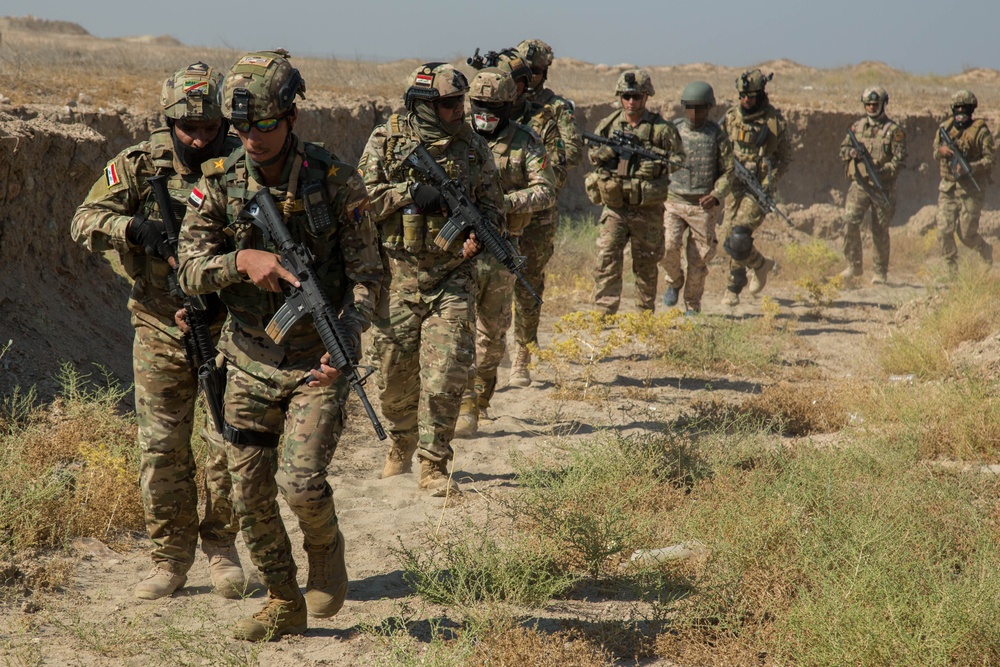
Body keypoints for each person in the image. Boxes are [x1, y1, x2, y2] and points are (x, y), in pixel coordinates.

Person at [177, 50, 384, 640]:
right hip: (246, 358)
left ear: (292, 117)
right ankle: (281, 600)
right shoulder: (215, 184)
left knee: (301, 482)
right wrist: (240, 261)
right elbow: (187, 270)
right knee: (247, 491)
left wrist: (348, 329)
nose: (252, 138)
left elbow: (371, 274)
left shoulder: (336, 179)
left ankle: (325, 550)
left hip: (316, 362)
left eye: (264, 125)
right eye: (241, 128)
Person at [71, 62, 245, 601]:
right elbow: (83, 221)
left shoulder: (243, 165)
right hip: (157, 326)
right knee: (163, 449)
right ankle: (169, 559)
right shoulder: (138, 165)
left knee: (226, 445)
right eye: (187, 129)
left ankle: (221, 548)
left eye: (208, 128)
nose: (197, 138)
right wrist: (133, 228)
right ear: (167, 122)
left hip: (229, 329)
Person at [359, 63, 505, 493]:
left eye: (460, 101)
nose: (459, 109)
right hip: (398, 277)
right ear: (423, 105)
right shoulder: (386, 141)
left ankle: (434, 463)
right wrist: (410, 194)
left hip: (452, 278)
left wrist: (481, 236)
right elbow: (360, 200)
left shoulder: (474, 148)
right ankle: (401, 443)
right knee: (392, 379)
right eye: (448, 103)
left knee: (445, 377)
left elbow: (493, 207)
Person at [454, 68, 556, 437]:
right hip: (457, 249)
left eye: (493, 106)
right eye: (478, 104)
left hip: (500, 250)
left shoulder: (526, 141)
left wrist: (499, 204)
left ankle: (480, 400)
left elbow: (545, 191)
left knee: (491, 336)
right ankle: (463, 404)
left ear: (509, 106)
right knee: (455, 330)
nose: (484, 112)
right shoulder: (457, 136)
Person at [586, 69, 683, 315]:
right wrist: (605, 155)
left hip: (646, 210)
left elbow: (679, 160)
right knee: (607, 258)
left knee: (646, 264)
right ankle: (603, 315)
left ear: (646, 97)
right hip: (615, 207)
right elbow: (591, 155)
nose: (631, 102)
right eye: (626, 96)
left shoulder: (661, 129)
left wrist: (657, 165)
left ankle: (643, 316)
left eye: (637, 97)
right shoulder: (608, 125)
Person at [497, 50, 566, 387]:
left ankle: (522, 353)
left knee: (527, 284)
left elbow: (560, 170)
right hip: (493, 216)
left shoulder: (543, 120)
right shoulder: (479, 119)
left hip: (535, 217)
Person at [719, 69, 790, 306]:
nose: (745, 100)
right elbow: (719, 148)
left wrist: (769, 182)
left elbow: (785, 158)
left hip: (758, 187)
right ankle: (761, 264)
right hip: (734, 185)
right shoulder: (731, 118)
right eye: (742, 95)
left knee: (739, 234)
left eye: (750, 96)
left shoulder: (774, 123)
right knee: (728, 237)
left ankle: (732, 287)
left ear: (760, 94)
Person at [660, 81, 732, 314]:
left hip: (703, 206)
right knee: (667, 246)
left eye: (699, 107)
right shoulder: (673, 131)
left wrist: (716, 195)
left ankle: (692, 304)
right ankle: (674, 281)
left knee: (699, 259)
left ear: (709, 107)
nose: (694, 113)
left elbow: (729, 172)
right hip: (674, 201)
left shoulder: (716, 136)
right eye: (689, 107)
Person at [838, 87, 907, 284]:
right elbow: (843, 149)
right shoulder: (857, 127)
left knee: (879, 230)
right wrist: (851, 154)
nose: (871, 107)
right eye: (868, 104)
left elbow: (899, 161)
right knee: (850, 221)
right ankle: (853, 265)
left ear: (883, 104)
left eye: (875, 104)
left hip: (883, 187)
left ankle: (879, 272)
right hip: (860, 184)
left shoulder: (894, 131)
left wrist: (882, 172)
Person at [933, 89, 995, 270]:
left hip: (971, 190)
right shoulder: (945, 128)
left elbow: (990, 159)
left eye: (965, 109)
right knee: (944, 230)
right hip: (948, 187)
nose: (961, 113)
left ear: (971, 110)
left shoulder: (980, 132)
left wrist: (971, 167)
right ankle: (950, 268)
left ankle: (984, 250)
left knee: (967, 234)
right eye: (958, 109)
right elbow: (935, 151)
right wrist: (941, 151)